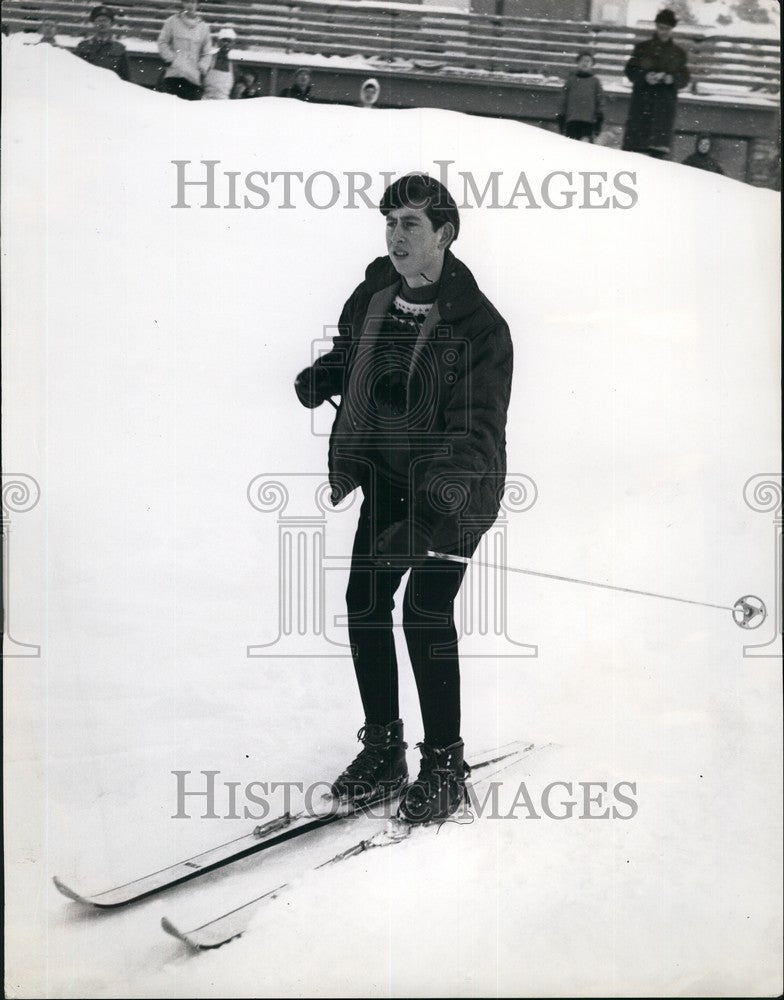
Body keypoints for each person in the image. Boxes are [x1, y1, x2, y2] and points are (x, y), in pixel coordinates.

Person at [294, 175, 513, 824]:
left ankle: (444, 763)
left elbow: (474, 435)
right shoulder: (376, 294)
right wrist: (327, 374)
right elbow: (356, 350)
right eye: (390, 221)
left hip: (454, 493)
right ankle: (384, 749)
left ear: (445, 234)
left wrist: (426, 521)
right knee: (364, 602)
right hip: (390, 480)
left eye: (411, 223)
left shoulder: (480, 327)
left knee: (424, 610)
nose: (396, 234)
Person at [622, 9, 690, 159]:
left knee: (657, 159)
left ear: (672, 29)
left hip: (663, 111)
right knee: (634, 155)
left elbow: (684, 78)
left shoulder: (678, 53)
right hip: (641, 107)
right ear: (656, 26)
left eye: (667, 28)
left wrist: (671, 79)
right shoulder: (642, 48)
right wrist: (645, 77)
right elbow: (630, 70)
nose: (663, 32)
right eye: (660, 27)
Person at [157, 0, 212, 101]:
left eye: (193, 2)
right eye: (187, 1)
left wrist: (201, 68)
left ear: (197, 4)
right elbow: (162, 42)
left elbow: (207, 52)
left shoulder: (203, 27)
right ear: (183, 3)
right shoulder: (172, 21)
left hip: (193, 78)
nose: (190, 5)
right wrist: (171, 59)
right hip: (174, 75)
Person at [557, 50, 605, 142]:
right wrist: (561, 115)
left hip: (588, 121)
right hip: (572, 120)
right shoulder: (571, 81)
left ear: (592, 64)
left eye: (588, 61)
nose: (585, 63)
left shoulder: (595, 82)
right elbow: (563, 99)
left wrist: (599, 117)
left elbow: (600, 100)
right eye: (582, 60)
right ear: (578, 63)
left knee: (585, 144)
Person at [75, 6, 130, 82]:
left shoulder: (119, 48)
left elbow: (126, 78)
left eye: (105, 20)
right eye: (99, 20)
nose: (102, 24)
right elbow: (76, 73)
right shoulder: (83, 46)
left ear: (111, 23)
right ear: (93, 23)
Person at [202, 26, 236, 100]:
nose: (226, 44)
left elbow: (234, 91)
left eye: (229, 41)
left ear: (233, 44)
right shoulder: (209, 59)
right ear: (218, 42)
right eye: (224, 40)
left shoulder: (233, 66)